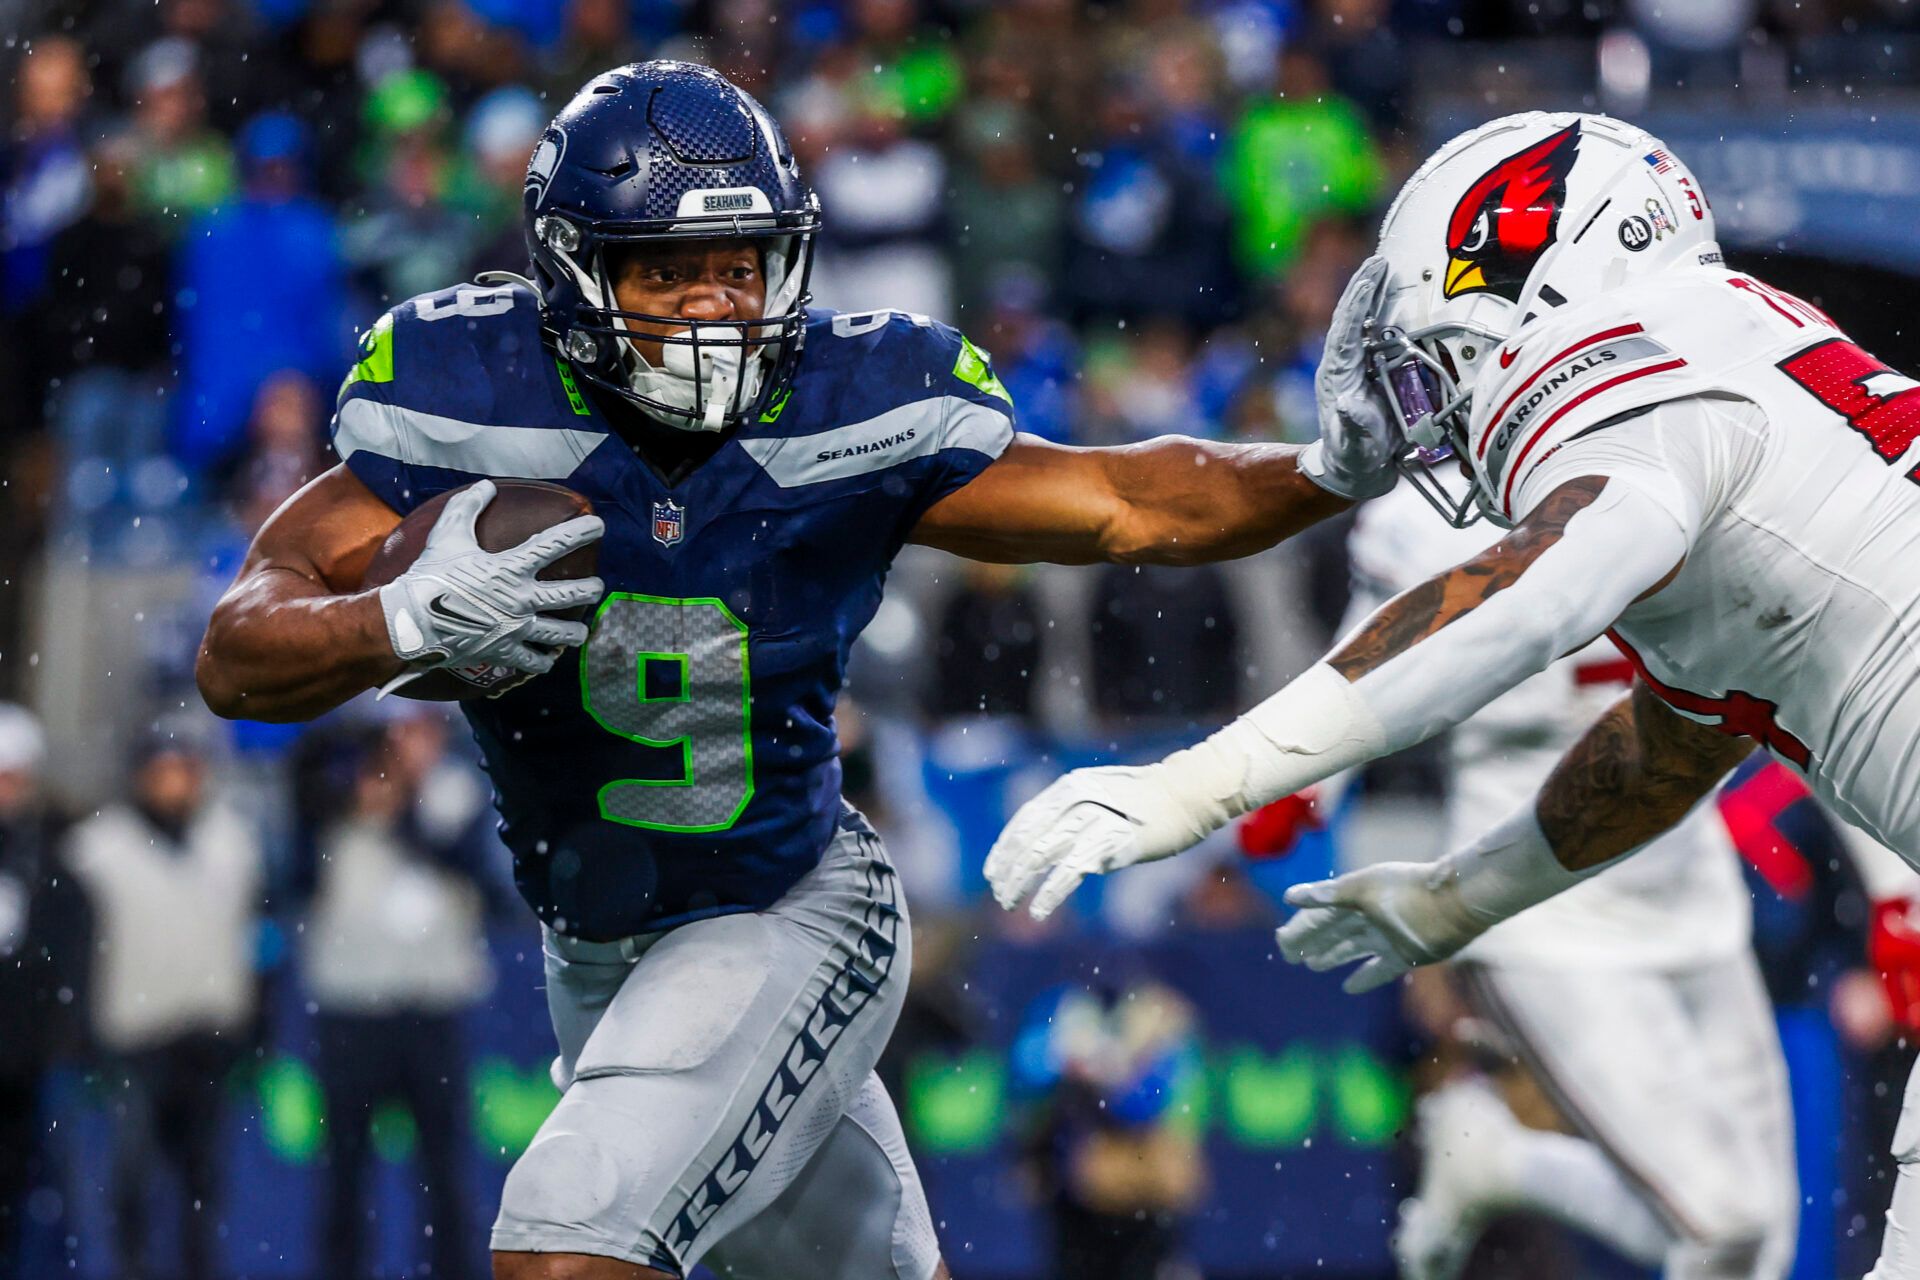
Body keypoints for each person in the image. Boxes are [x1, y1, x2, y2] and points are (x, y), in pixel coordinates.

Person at [194, 60, 1398, 1280]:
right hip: (594, 950)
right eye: (667, 270)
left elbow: (1130, 502)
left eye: (741, 264)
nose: (717, 304)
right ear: (571, 270)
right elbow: (237, 647)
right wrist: (393, 622)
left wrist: (1326, 469)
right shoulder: (469, 393)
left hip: (788, 904)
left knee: (564, 1241)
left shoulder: (849, 399)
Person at [978, 110, 1920, 1279]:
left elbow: (1516, 601)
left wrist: (1199, 783)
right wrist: (1454, 900)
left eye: (1446, 356)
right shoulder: (1734, 355)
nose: (1437, 407)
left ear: (1555, 276)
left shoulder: (1634, 385)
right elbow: (1665, 747)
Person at [1339, 483, 1797, 1280]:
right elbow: (1359, 665)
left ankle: (1502, 1164)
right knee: (1727, 1224)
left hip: (1692, 887)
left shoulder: (1675, 465)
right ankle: (1502, 1164)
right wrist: (1294, 786)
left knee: (1763, 1241)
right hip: (1547, 910)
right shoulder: (1423, 523)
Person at [65, 724, 261, 1280]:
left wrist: (254, 1022)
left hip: (211, 1035)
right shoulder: (97, 848)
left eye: (186, 771)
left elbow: (256, 939)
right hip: (134, 1036)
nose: (176, 785)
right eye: (164, 772)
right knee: (132, 1179)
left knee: (204, 1184)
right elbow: (75, 948)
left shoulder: (233, 841)